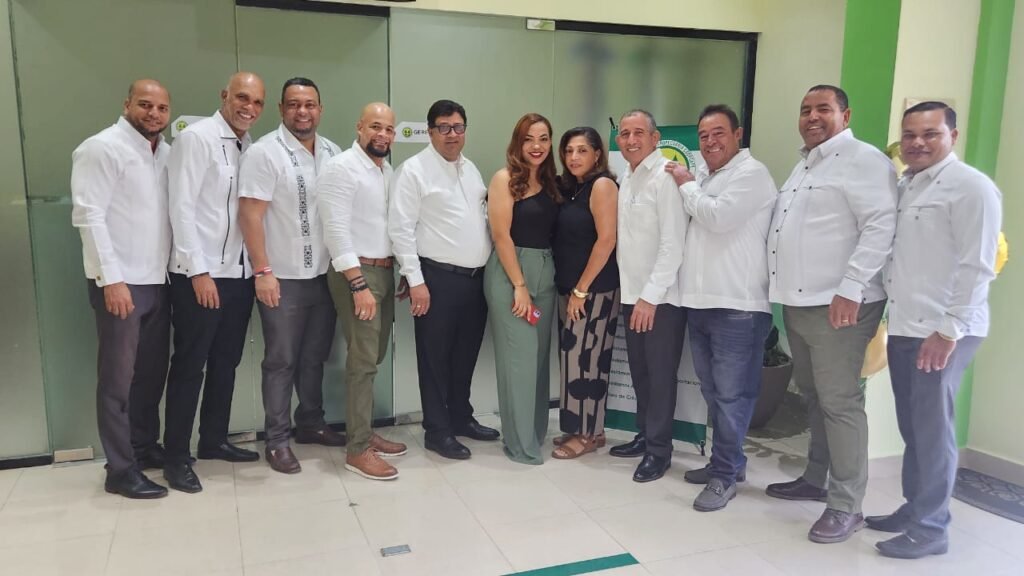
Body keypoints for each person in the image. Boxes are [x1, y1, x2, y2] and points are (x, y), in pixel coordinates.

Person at [867, 102, 1001, 559]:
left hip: (944, 331)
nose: (917, 143)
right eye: (909, 135)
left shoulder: (971, 187)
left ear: (952, 136)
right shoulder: (908, 184)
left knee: (932, 429)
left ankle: (931, 528)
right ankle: (915, 508)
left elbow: (978, 266)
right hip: (908, 324)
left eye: (930, 134)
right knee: (914, 426)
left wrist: (949, 331)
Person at [765, 85, 897, 543]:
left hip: (840, 304)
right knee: (814, 395)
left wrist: (852, 287)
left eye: (823, 108)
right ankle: (815, 478)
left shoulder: (864, 160)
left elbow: (881, 225)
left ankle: (846, 505)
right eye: (805, 109)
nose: (812, 116)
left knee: (840, 401)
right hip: (800, 302)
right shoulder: (805, 164)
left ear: (846, 114)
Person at [665, 104, 777, 511]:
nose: (710, 141)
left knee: (732, 396)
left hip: (737, 307)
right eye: (704, 135)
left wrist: (685, 184)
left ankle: (725, 476)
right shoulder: (708, 177)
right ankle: (728, 463)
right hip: (701, 303)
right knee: (714, 392)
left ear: (737, 135)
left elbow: (718, 218)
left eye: (718, 133)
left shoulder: (752, 174)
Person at [163, 72, 270, 494]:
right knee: (190, 365)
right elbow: (181, 207)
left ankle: (213, 440)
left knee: (227, 362)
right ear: (225, 96)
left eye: (257, 102)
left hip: (238, 276)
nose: (249, 108)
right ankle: (175, 456)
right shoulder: (197, 139)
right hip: (200, 275)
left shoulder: (251, 148)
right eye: (242, 98)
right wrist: (198, 271)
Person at [71, 79, 172, 498]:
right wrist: (111, 279)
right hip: (120, 283)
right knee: (118, 380)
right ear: (127, 103)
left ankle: (143, 447)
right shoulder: (101, 148)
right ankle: (120, 468)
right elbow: (88, 215)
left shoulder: (164, 153)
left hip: (158, 281)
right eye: (145, 105)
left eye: (162, 108)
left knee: (150, 375)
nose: (154, 113)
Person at [238, 77, 341, 474]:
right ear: (282, 109)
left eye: (310, 104)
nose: (303, 111)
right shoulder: (265, 152)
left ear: (320, 109)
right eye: (294, 104)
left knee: (314, 357)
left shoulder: (332, 152)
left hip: (325, 275)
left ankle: (311, 423)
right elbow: (250, 215)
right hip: (281, 276)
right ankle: (277, 440)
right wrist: (262, 271)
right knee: (281, 360)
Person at [389, 99, 500, 460]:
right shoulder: (414, 170)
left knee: (465, 354)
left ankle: (461, 417)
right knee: (435, 359)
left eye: (458, 127)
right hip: (436, 279)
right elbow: (400, 229)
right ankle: (437, 431)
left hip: (475, 280)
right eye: (444, 127)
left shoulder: (470, 168)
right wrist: (415, 280)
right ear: (431, 131)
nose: (452, 134)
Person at [318, 102, 408, 481]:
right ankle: (357, 449)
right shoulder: (341, 168)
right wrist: (358, 284)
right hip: (357, 274)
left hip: (384, 271)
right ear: (359, 128)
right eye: (375, 126)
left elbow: (391, 225)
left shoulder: (386, 170)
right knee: (362, 361)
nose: (382, 135)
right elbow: (336, 230)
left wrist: (400, 269)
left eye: (388, 129)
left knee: (374, 355)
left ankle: (364, 431)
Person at [608, 109, 687, 483]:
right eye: (624, 133)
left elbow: (673, 245)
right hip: (632, 294)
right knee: (640, 372)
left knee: (659, 376)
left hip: (659, 300)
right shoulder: (627, 176)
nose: (631, 140)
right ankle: (645, 435)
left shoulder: (665, 178)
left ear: (655, 138)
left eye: (639, 132)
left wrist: (650, 297)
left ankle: (659, 451)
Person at [484, 113, 561, 465]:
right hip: (511, 275)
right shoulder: (504, 179)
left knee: (539, 360)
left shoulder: (551, 183)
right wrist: (519, 285)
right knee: (519, 361)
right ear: (517, 142)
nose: (536, 146)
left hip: (546, 275)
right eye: (529, 138)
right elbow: (501, 235)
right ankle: (519, 444)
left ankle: (534, 433)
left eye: (543, 138)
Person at [550, 127, 619, 460]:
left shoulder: (602, 185)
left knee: (588, 362)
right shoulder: (572, 188)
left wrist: (581, 289)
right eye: (568, 151)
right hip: (570, 289)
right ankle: (585, 427)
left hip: (594, 291)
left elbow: (606, 240)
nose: (574, 157)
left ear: (597, 154)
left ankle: (589, 434)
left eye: (582, 150)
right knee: (573, 361)